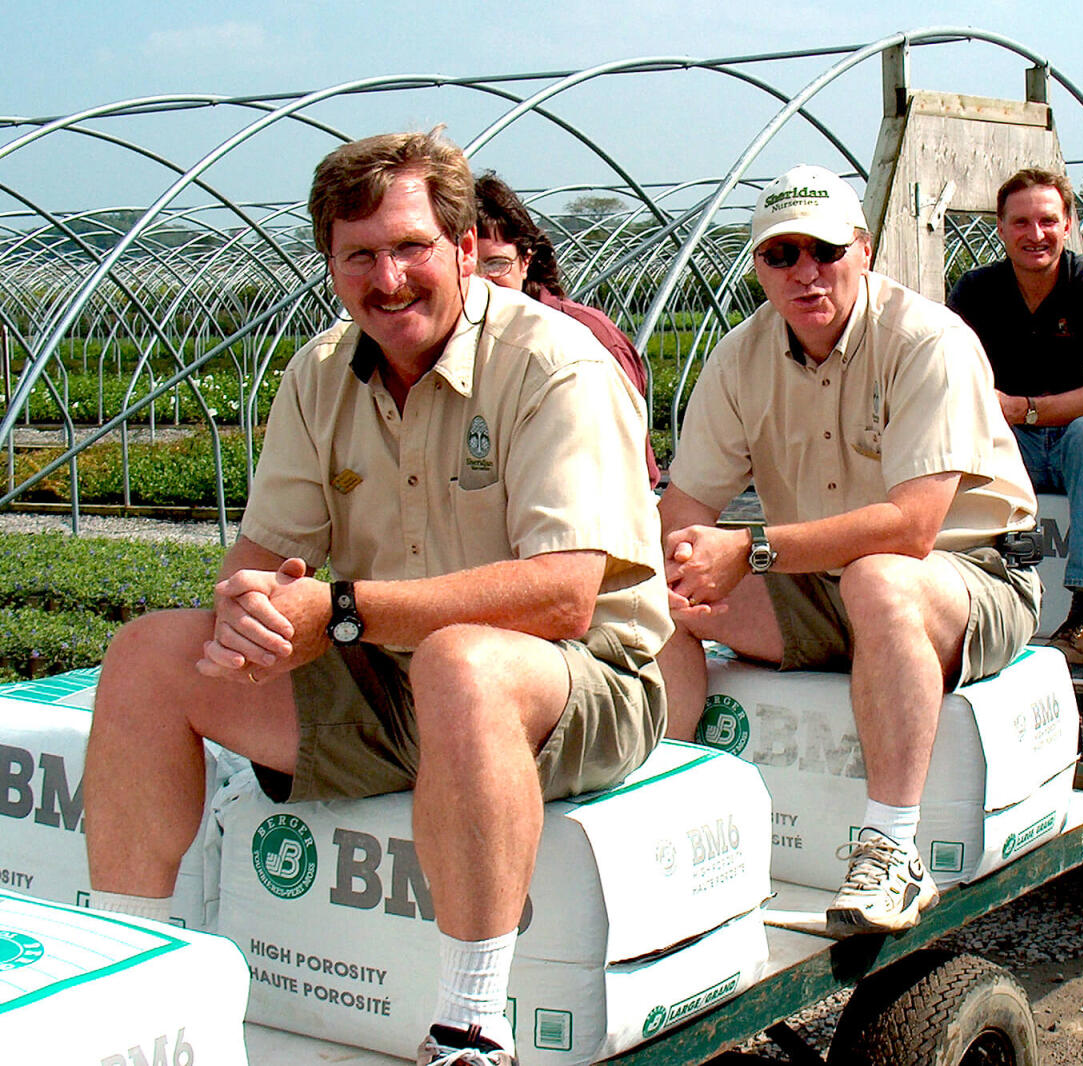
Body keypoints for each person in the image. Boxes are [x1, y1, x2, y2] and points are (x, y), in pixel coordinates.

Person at [82, 131, 670, 1066]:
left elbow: (564, 598)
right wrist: (249, 608)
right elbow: (262, 555)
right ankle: (118, 991)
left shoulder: (557, 365)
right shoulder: (320, 374)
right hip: (388, 684)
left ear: (465, 250)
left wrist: (342, 609)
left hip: (575, 687)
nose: (387, 279)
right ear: (330, 266)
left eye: (411, 249)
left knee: (463, 661)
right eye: (360, 256)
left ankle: (472, 1028)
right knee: (148, 656)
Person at [658, 165, 1041, 935]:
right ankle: (663, 815)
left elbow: (912, 529)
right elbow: (687, 510)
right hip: (820, 584)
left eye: (825, 250)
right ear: (758, 264)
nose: (805, 272)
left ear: (864, 250)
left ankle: (893, 851)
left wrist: (750, 548)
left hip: (969, 579)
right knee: (666, 603)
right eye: (781, 255)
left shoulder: (927, 341)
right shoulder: (739, 360)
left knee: (880, 580)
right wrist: (677, 567)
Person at [947, 168, 1083, 664]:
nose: (1036, 235)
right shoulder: (976, 291)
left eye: (1048, 221)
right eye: (1021, 223)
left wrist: (1022, 409)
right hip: (1019, 445)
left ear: (1069, 224)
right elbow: (954, 377)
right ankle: (968, 601)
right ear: (1000, 227)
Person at [474, 171, 659, 486]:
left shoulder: (586, 337)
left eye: (496, 264)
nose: (481, 283)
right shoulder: (456, 347)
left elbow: (629, 470)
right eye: (467, 267)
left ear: (525, 260)